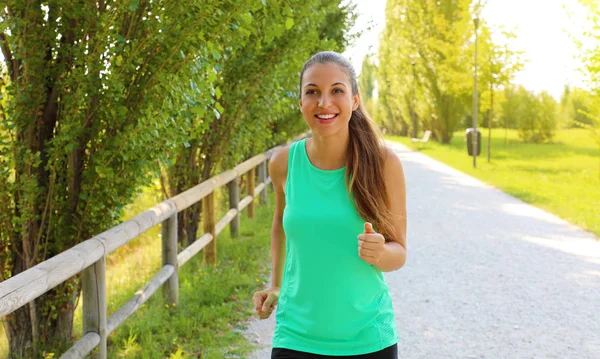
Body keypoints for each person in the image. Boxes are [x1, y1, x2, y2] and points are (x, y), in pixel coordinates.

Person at [252, 51, 407, 359]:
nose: (324, 103)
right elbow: (281, 226)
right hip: (295, 336)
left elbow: (399, 253)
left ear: (355, 100)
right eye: (312, 92)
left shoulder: (383, 163)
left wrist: (379, 253)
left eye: (337, 90)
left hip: (367, 339)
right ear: (300, 102)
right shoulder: (284, 162)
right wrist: (276, 285)